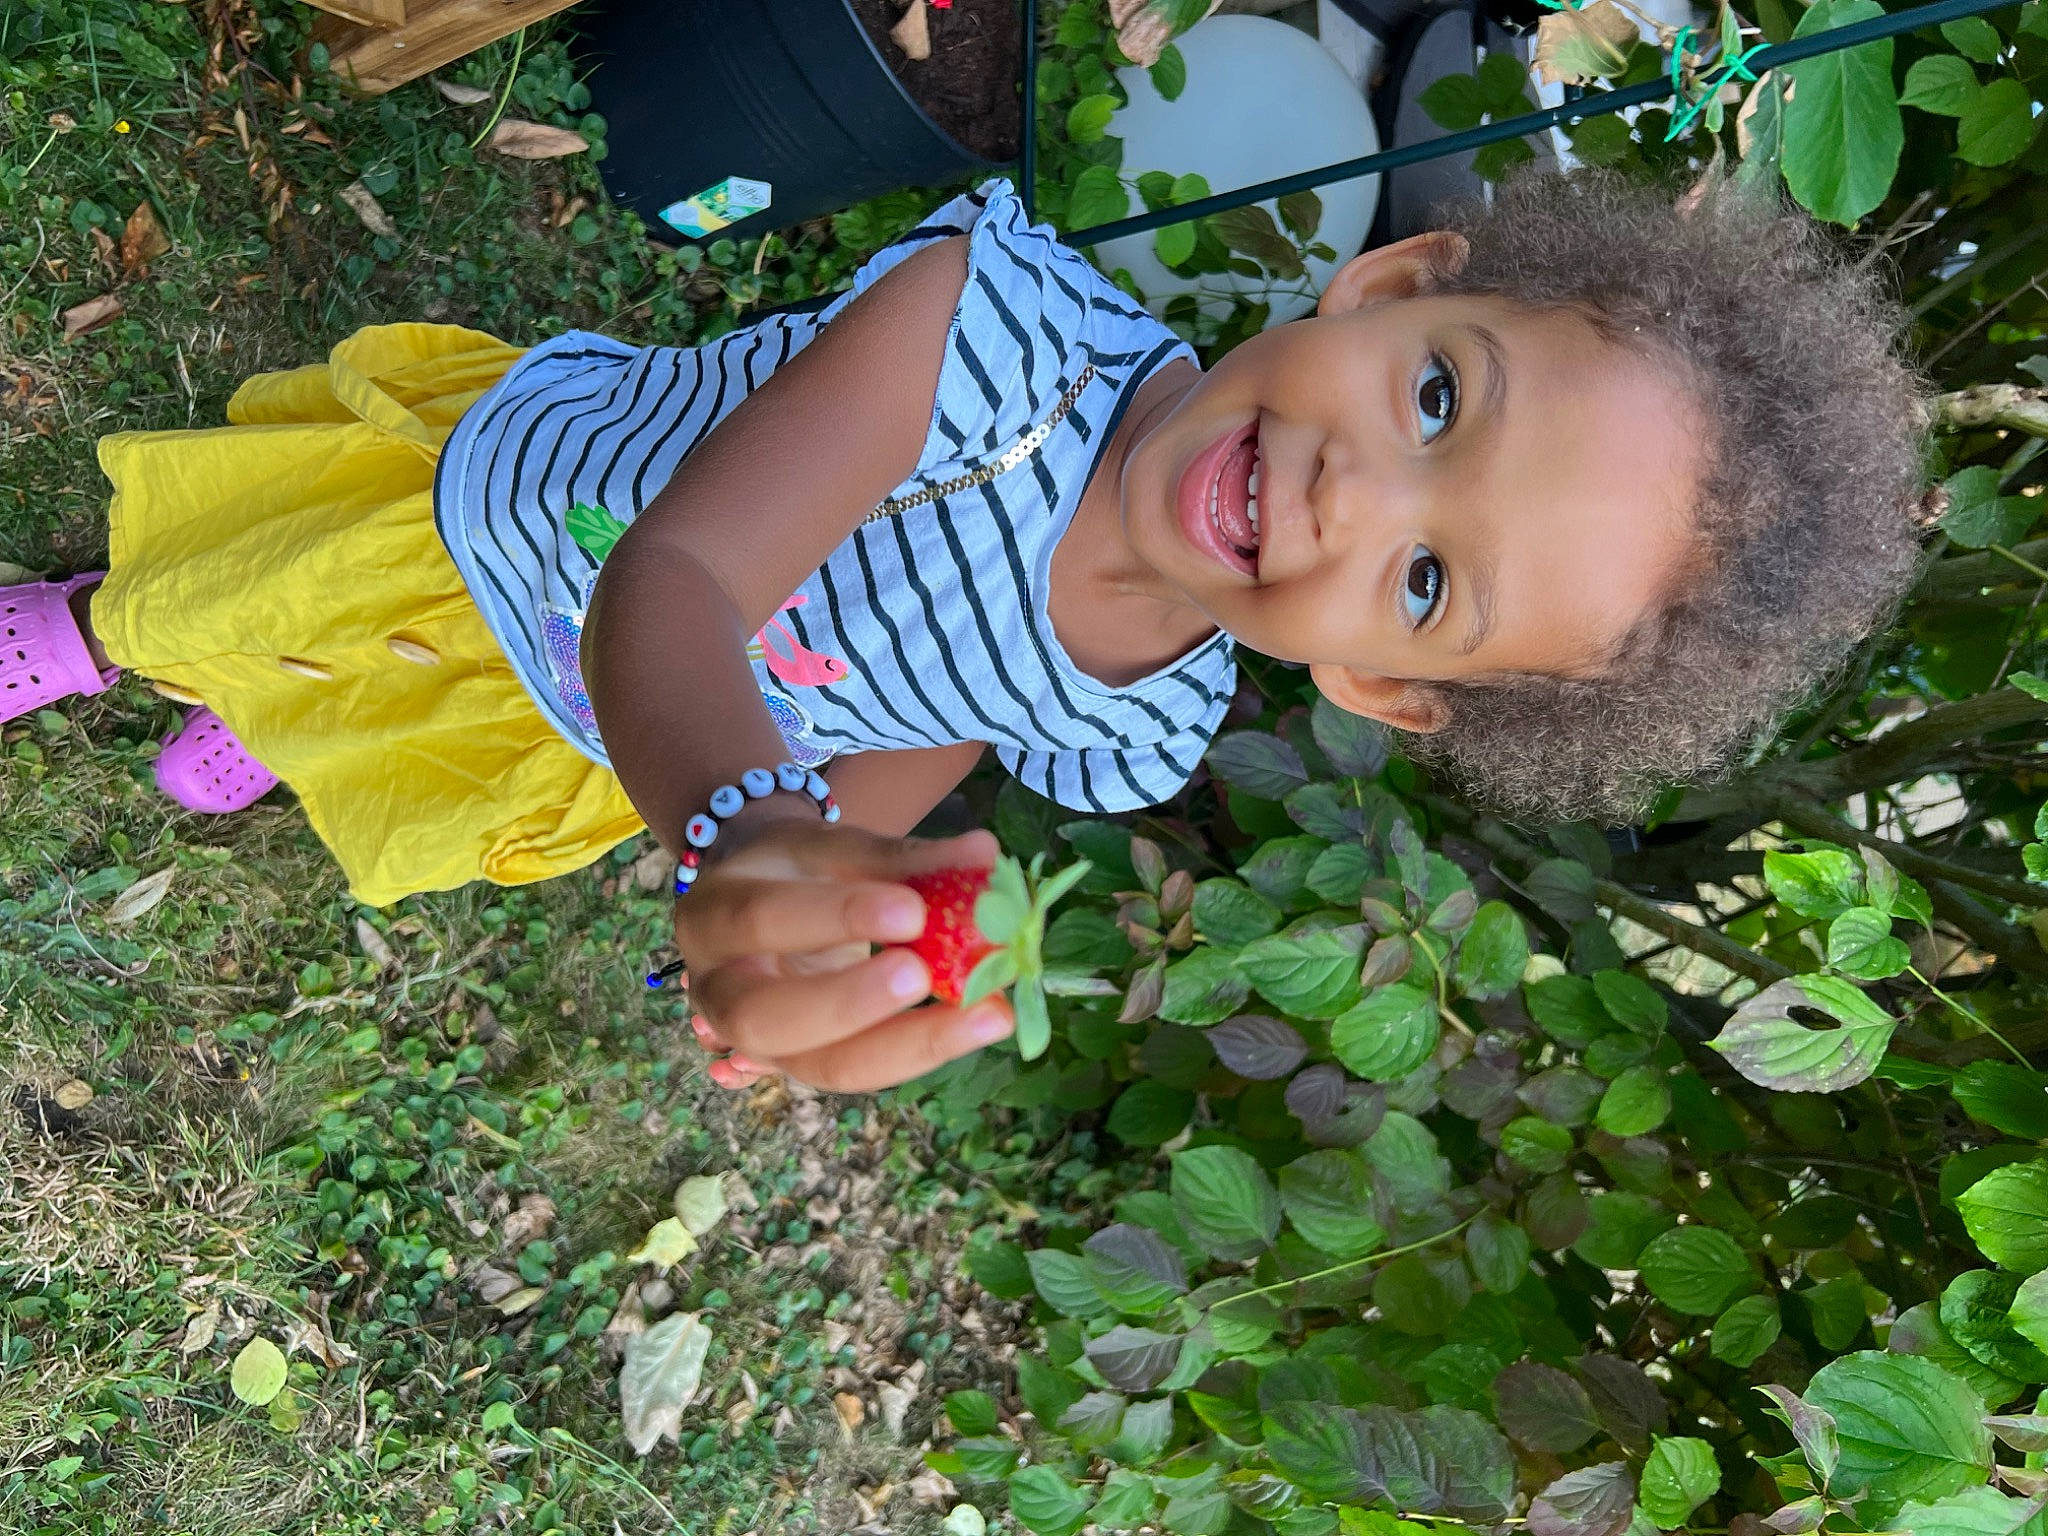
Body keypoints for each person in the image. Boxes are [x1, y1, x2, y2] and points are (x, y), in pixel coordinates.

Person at [5, 170, 1926, 1094]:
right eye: (1440, 401)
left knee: (354, 706)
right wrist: (732, 825)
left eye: (1431, 581)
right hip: (516, 524)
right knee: (240, 599)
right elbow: (671, 595)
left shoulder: (1133, 721)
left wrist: (813, 897)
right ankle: (103, 632)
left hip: (614, 724)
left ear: (1382, 684)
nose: (1361, 499)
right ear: (1396, 283)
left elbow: (905, 730)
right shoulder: (988, 334)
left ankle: (277, 718)